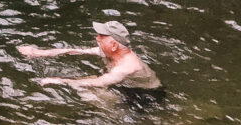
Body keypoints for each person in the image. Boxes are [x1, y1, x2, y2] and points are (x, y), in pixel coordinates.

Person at [19, 19, 162, 99]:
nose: (97, 37)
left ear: (113, 45)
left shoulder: (126, 67)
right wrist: (38, 53)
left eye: (102, 36)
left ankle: (119, 118)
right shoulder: (111, 51)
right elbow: (73, 51)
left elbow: (98, 82)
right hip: (126, 86)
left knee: (82, 87)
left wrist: (58, 80)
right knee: (84, 84)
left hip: (146, 96)